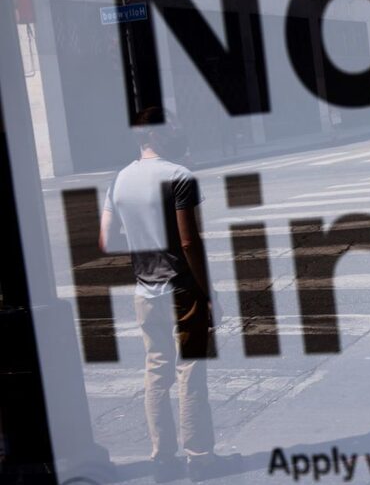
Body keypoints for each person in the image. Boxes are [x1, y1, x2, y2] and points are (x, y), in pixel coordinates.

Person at [99, 107, 239, 482]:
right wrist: (209, 293)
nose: (180, 128)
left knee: (156, 372)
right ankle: (200, 457)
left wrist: (142, 236)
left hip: (145, 290)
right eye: (174, 124)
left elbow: (106, 240)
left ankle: (162, 457)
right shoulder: (179, 176)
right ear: (158, 135)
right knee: (190, 374)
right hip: (182, 289)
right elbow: (189, 240)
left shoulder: (119, 180)